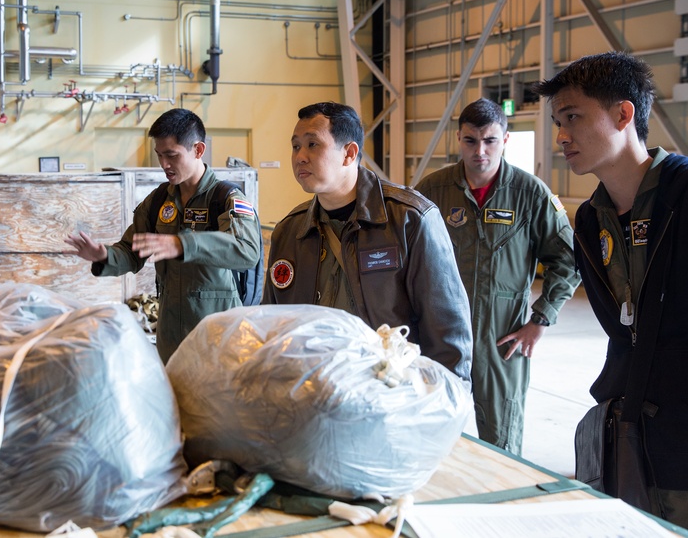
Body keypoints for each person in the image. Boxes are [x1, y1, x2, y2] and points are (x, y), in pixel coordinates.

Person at [535, 52, 688, 526]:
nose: (561, 135)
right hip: (631, 433)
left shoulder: (683, 194)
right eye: (558, 121)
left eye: (573, 117)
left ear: (624, 115)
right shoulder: (588, 221)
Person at [263, 101, 472, 381]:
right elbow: (272, 324)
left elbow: (447, 327)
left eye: (313, 145)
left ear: (349, 153)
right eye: (295, 146)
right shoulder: (291, 231)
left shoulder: (409, 219)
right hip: (311, 392)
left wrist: (446, 401)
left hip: (389, 392)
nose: (300, 156)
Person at [416, 98, 579, 454]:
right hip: (440, 336)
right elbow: (407, 259)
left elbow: (567, 258)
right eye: (470, 141)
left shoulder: (530, 194)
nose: (480, 151)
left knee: (502, 441)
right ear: (458, 139)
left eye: (490, 140)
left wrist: (541, 320)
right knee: (432, 433)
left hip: (503, 338)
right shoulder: (432, 192)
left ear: (505, 139)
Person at [65, 108, 262, 362]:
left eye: (172, 155)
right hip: (171, 337)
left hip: (218, 339)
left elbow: (247, 251)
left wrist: (184, 244)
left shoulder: (225, 198)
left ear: (198, 150)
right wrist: (104, 255)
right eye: (159, 155)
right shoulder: (159, 200)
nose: (164, 165)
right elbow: (131, 251)